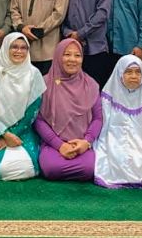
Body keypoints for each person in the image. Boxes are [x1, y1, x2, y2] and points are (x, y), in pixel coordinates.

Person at [94, 55, 142, 188]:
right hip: (115, 140)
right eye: (128, 72)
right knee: (114, 157)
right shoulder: (108, 95)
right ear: (120, 73)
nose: (134, 76)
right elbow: (104, 127)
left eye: (137, 72)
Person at [0, 33, 46, 181]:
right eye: (14, 47)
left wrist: (13, 134)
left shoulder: (34, 74)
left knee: (29, 167)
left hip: (23, 131)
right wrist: (4, 134)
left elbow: (33, 111)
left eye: (23, 48)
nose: (19, 51)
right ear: (6, 48)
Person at [34, 38, 102, 181]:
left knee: (88, 169)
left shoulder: (90, 85)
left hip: (81, 144)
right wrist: (59, 145)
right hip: (53, 144)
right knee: (51, 168)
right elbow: (38, 120)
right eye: (67, 54)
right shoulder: (44, 83)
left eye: (77, 55)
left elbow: (98, 118)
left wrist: (86, 142)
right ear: (58, 56)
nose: (72, 59)